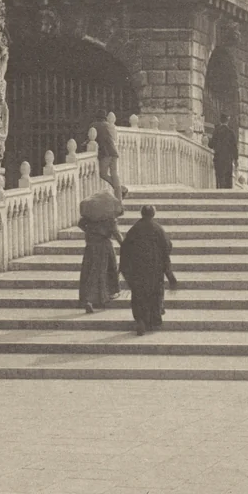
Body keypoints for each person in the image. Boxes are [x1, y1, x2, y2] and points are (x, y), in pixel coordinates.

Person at [119, 205, 172, 336]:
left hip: (137, 268)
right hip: (154, 267)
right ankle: (153, 319)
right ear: (153, 214)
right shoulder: (157, 228)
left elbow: (125, 248)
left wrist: (124, 268)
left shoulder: (134, 229)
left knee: (138, 295)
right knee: (155, 293)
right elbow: (167, 246)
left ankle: (140, 321)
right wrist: (167, 269)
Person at [77, 204, 124, 314]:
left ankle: (90, 298)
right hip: (104, 247)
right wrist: (125, 245)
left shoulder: (90, 215)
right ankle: (94, 298)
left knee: (89, 271)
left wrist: (90, 231)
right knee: (102, 271)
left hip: (91, 245)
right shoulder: (110, 218)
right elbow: (117, 234)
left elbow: (80, 224)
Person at [89, 109, 122, 201]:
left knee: (103, 174)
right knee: (114, 173)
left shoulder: (94, 125)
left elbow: (92, 138)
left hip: (105, 153)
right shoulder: (109, 125)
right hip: (114, 152)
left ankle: (120, 188)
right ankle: (119, 195)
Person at [208, 116, 238, 189]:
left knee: (219, 176)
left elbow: (211, 145)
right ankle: (228, 195)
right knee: (228, 177)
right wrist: (236, 159)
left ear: (220, 121)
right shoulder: (231, 132)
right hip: (228, 159)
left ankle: (219, 191)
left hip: (218, 158)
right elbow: (234, 147)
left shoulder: (216, 131)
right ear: (228, 121)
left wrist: (208, 140)